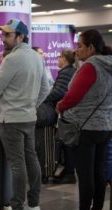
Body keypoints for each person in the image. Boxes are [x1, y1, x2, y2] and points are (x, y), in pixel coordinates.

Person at [0, 18, 50, 210]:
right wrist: (31, 104)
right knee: (31, 160)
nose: (3, 38)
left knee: (17, 164)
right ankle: (33, 205)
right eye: (3, 34)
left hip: (12, 119)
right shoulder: (36, 57)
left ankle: (16, 209)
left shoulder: (12, 59)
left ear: (20, 36)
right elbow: (45, 89)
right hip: (29, 118)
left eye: (8, 35)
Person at [56, 29, 112, 210]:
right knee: (99, 172)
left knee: (85, 174)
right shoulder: (109, 65)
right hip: (105, 126)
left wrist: (60, 106)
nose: (76, 49)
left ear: (91, 48)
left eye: (80, 46)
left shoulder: (91, 66)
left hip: (86, 128)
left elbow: (73, 96)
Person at [42, 48, 80, 184]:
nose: (57, 59)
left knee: (67, 142)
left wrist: (42, 99)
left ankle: (69, 172)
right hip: (69, 112)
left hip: (67, 113)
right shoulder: (69, 71)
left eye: (59, 57)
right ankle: (68, 171)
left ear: (64, 58)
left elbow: (58, 92)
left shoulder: (66, 72)